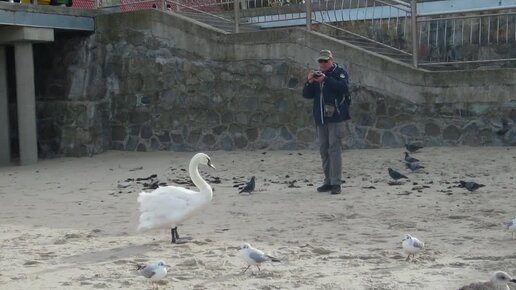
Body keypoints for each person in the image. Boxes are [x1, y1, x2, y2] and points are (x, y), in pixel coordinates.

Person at [302, 49, 350, 195]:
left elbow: (344, 88)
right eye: (320, 61)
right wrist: (309, 82)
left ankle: (336, 183)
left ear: (331, 60)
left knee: (334, 150)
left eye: (325, 60)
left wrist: (326, 79)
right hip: (321, 118)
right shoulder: (317, 75)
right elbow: (306, 95)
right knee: (324, 150)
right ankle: (328, 181)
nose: (322, 63)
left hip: (336, 117)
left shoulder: (339, 72)